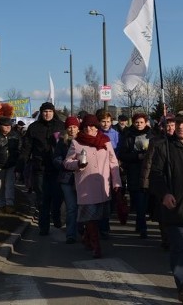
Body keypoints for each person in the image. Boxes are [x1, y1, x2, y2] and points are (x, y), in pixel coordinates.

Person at [143, 110, 183, 304]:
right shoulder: (164, 147)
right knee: (179, 247)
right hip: (174, 207)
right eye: (177, 123)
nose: (180, 127)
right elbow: (156, 175)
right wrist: (164, 193)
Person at [63, 114, 121, 258]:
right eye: (87, 126)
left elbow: (113, 163)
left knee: (99, 217)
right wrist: (78, 164)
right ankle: (96, 247)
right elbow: (67, 163)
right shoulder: (76, 143)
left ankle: (87, 238)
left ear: (97, 127)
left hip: (102, 186)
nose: (90, 128)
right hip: (85, 186)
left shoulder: (105, 141)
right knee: (90, 218)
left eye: (93, 126)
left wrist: (117, 182)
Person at [19, 102, 65, 235]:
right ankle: (43, 227)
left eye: (50, 111)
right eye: (45, 111)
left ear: (53, 112)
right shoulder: (34, 127)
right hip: (40, 169)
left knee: (57, 197)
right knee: (42, 199)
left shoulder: (61, 126)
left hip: (57, 168)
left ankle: (56, 218)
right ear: (41, 113)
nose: (47, 114)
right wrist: (20, 166)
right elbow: (26, 148)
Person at [117, 112, 153, 238]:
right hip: (134, 170)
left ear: (146, 122)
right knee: (138, 200)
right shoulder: (128, 135)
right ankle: (142, 225)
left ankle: (141, 224)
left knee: (144, 200)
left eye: (141, 122)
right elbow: (122, 154)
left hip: (148, 171)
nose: (139, 125)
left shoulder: (151, 134)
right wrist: (137, 156)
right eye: (137, 122)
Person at [53, 116, 80, 244]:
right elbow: (56, 158)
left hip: (81, 178)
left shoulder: (82, 141)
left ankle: (82, 231)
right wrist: (64, 164)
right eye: (69, 127)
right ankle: (70, 234)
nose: (72, 129)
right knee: (71, 207)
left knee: (81, 206)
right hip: (66, 178)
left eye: (74, 127)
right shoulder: (62, 142)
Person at [96, 109, 119, 238]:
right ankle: (99, 225)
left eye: (108, 121)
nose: (106, 124)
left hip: (112, 166)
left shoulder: (115, 134)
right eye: (103, 121)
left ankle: (105, 225)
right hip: (100, 168)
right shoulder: (96, 133)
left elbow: (118, 149)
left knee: (108, 197)